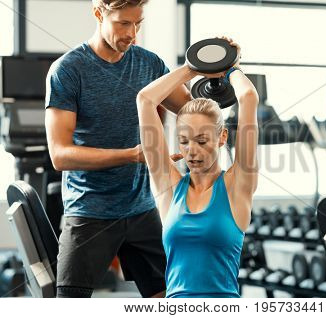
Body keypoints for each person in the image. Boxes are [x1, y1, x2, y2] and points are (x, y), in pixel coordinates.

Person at [45, 0, 191, 298]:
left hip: (141, 207)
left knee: (174, 299)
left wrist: (217, 72)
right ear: (99, 14)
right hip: (90, 211)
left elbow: (192, 109)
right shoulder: (68, 70)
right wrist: (133, 155)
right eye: (124, 23)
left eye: (138, 23)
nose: (132, 33)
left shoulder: (149, 64)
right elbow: (60, 155)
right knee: (68, 306)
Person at [137, 38, 259, 298]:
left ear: (222, 137)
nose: (191, 150)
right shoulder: (168, 186)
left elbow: (248, 97)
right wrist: (192, 66)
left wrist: (230, 67)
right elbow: (145, 100)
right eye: (184, 141)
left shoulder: (238, 185)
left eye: (202, 140)